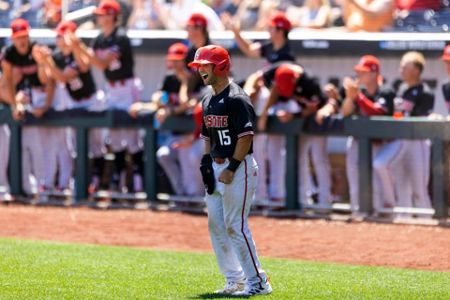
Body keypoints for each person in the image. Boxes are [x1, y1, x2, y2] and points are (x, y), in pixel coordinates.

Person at [189, 45, 272, 296]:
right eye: (199, 65)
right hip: (217, 167)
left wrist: (232, 167)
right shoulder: (208, 98)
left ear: (221, 67)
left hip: (239, 167)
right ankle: (234, 279)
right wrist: (206, 162)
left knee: (235, 225)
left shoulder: (236, 98)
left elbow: (246, 137)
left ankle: (258, 282)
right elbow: (207, 136)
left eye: (206, 65)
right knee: (216, 224)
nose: (201, 70)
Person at [69, 0, 144, 192]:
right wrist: (76, 47)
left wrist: (80, 46)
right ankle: (119, 184)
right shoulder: (100, 38)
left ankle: (139, 184)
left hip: (127, 87)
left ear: (112, 16)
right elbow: (87, 63)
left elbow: (101, 63)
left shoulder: (120, 37)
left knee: (133, 138)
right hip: (112, 89)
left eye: (103, 14)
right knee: (115, 135)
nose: (99, 17)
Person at [37, 21, 107, 192]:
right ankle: (80, 182)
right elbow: (46, 79)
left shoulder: (78, 51)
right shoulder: (58, 57)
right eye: (59, 36)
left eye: (63, 35)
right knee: (76, 146)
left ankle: (98, 181)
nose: (60, 39)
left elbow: (79, 67)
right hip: (75, 102)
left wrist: (74, 46)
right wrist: (43, 62)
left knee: (97, 144)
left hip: (92, 101)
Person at [258, 62, 332, 206]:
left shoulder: (310, 83)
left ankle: (307, 198)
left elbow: (313, 108)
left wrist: (293, 115)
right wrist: (264, 114)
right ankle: (281, 196)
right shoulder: (275, 72)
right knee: (284, 155)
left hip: (312, 119)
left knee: (309, 158)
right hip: (290, 112)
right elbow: (274, 89)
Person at [373, 51, 434, 218]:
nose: (401, 69)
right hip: (400, 142)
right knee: (401, 183)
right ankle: (403, 219)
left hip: (417, 142)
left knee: (419, 187)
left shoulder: (425, 92)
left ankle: (426, 220)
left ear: (416, 69)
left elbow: (419, 120)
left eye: (405, 66)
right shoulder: (401, 88)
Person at [1, 18, 55, 195]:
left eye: (23, 36)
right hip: (24, 100)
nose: (21, 40)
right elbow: (8, 81)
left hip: (43, 97)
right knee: (23, 148)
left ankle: (45, 186)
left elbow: (48, 81)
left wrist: (46, 105)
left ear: (29, 35)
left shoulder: (38, 49)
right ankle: (27, 186)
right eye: (17, 37)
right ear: (12, 39)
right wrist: (15, 104)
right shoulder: (9, 54)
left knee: (44, 147)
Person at [339, 55, 395, 215]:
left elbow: (378, 112)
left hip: (378, 143)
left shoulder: (386, 91)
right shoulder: (359, 91)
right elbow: (345, 112)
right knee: (354, 178)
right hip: (357, 141)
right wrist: (350, 97)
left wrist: (358, 97)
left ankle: (377, 211)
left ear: (373, 73)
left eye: (363, 72)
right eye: (358, 72)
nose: (359, 75)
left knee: (375, 180)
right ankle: (357, 210)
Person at [225, 11, 295, 65]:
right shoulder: (269, 46)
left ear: (281, 31)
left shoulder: (287, 54)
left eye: (271, 27)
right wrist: (236, 33)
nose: (268, 29)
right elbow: (249, 50)